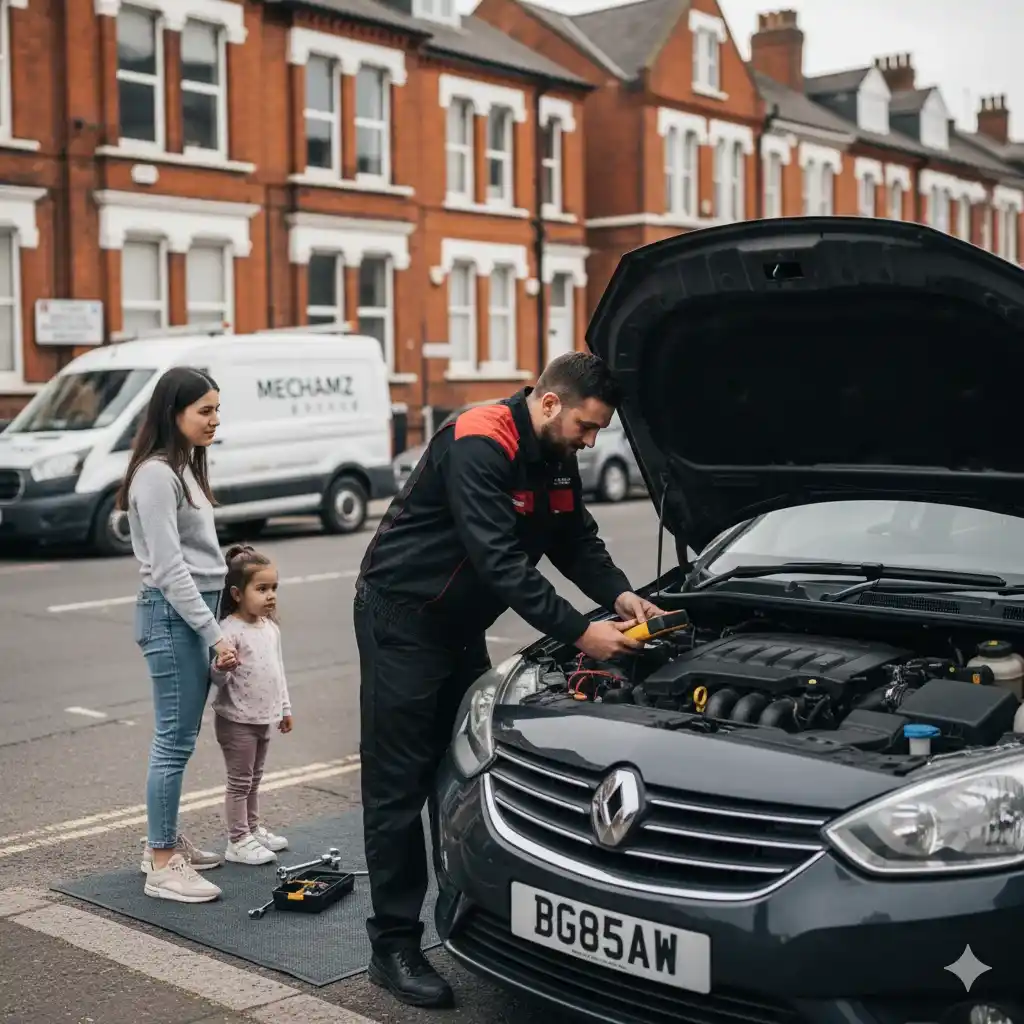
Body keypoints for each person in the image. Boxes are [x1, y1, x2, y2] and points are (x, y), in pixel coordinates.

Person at [353, 352, 663, 1007]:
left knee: (458, 770)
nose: (590, 441)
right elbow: (497, 559)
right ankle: (394, 946)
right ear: (549, 403)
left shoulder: (555, 453)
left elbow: (574, 538)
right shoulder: (479, 440)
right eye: (587, 426)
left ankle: (466, 914)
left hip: (458, 624)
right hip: (404, 617)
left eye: (598, 432)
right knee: (397, 784)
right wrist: (585, 632)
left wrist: (623, 597)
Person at [119, 366, 237, 904]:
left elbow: (201, 560)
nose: (215, 420)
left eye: (217, 408)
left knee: (180, 740)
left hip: (188, 616)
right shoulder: (155, 475)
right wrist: (215, 634)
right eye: (205, 411)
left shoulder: (182, 467)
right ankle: (162, 861)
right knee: (173, 742)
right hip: (172, 617)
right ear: (174, 413)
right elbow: (168, 569)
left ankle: (162, 843)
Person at [209, 544, 294, 865]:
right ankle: (238, 839)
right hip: (237, 721)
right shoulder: (229, 631)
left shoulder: (270, 628)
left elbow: (278, 671)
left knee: (255, 779)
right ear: (237, 593)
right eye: (261, 589)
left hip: (263, 718)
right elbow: (216, 679)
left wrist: (285, 709)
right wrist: (221, 666)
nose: (270, 595)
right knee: (240, 781)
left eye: (274, 588)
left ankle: (253, 829)